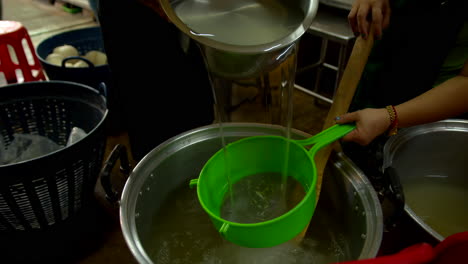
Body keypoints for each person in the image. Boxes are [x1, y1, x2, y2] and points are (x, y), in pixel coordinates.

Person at [331, 0, 468, 190]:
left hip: (426, 113)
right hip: (376, 73)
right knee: (348, 162)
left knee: (390, 184)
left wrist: (390, 116)